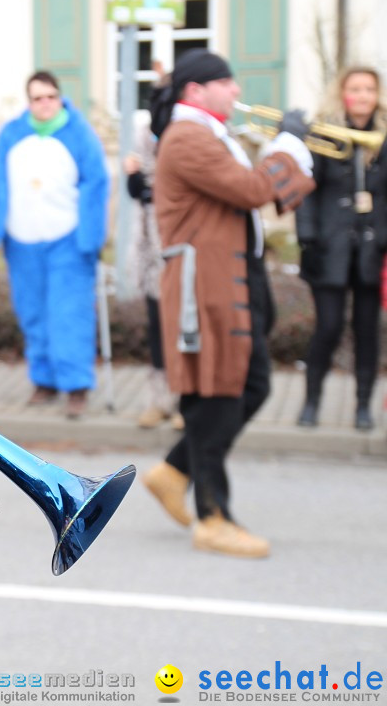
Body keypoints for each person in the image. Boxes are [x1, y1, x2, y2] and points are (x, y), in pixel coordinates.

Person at [141, 49, 314, 558]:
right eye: (227, 83)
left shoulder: (208, 132)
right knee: (217, 392)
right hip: (206, 284)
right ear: (197, 90)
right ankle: (213, 517)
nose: (237, 91)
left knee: (249, 385)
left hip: (228, 279)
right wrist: (288, 144)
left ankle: (175, 471)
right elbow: (250, 188)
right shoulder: (188, 136)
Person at [0, 71, 109, 419]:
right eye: (37, 98)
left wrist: (92, 236)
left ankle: (76, 385)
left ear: (60, 97)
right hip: (21, 241)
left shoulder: (79, 133)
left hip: (68, 239)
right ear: (29, 101)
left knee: (69, 313)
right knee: (33, 313)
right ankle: (44, 380)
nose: (45, 104)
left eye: (51, 96)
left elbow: (96, 185)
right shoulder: (12, 134)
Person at [294, 66, 387, 431]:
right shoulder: (325, 134)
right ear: (343, 93)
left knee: (368, 331)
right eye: (355, 88)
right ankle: (311, 400)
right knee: (328, 327)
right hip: (329, 248)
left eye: (370, 89)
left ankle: (363, 405)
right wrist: (307, 238)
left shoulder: (383, 137)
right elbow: (307, 190)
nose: (363, 95)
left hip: (371, 250)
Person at [125, 109, 183, 430]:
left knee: (183, 329)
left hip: (181, 250)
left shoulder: (187, 135)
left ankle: (184, 401)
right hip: (151, 251)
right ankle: (159, 400)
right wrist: (133, 177)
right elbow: (139, 195)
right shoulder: (145, 137)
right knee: (158, 328)